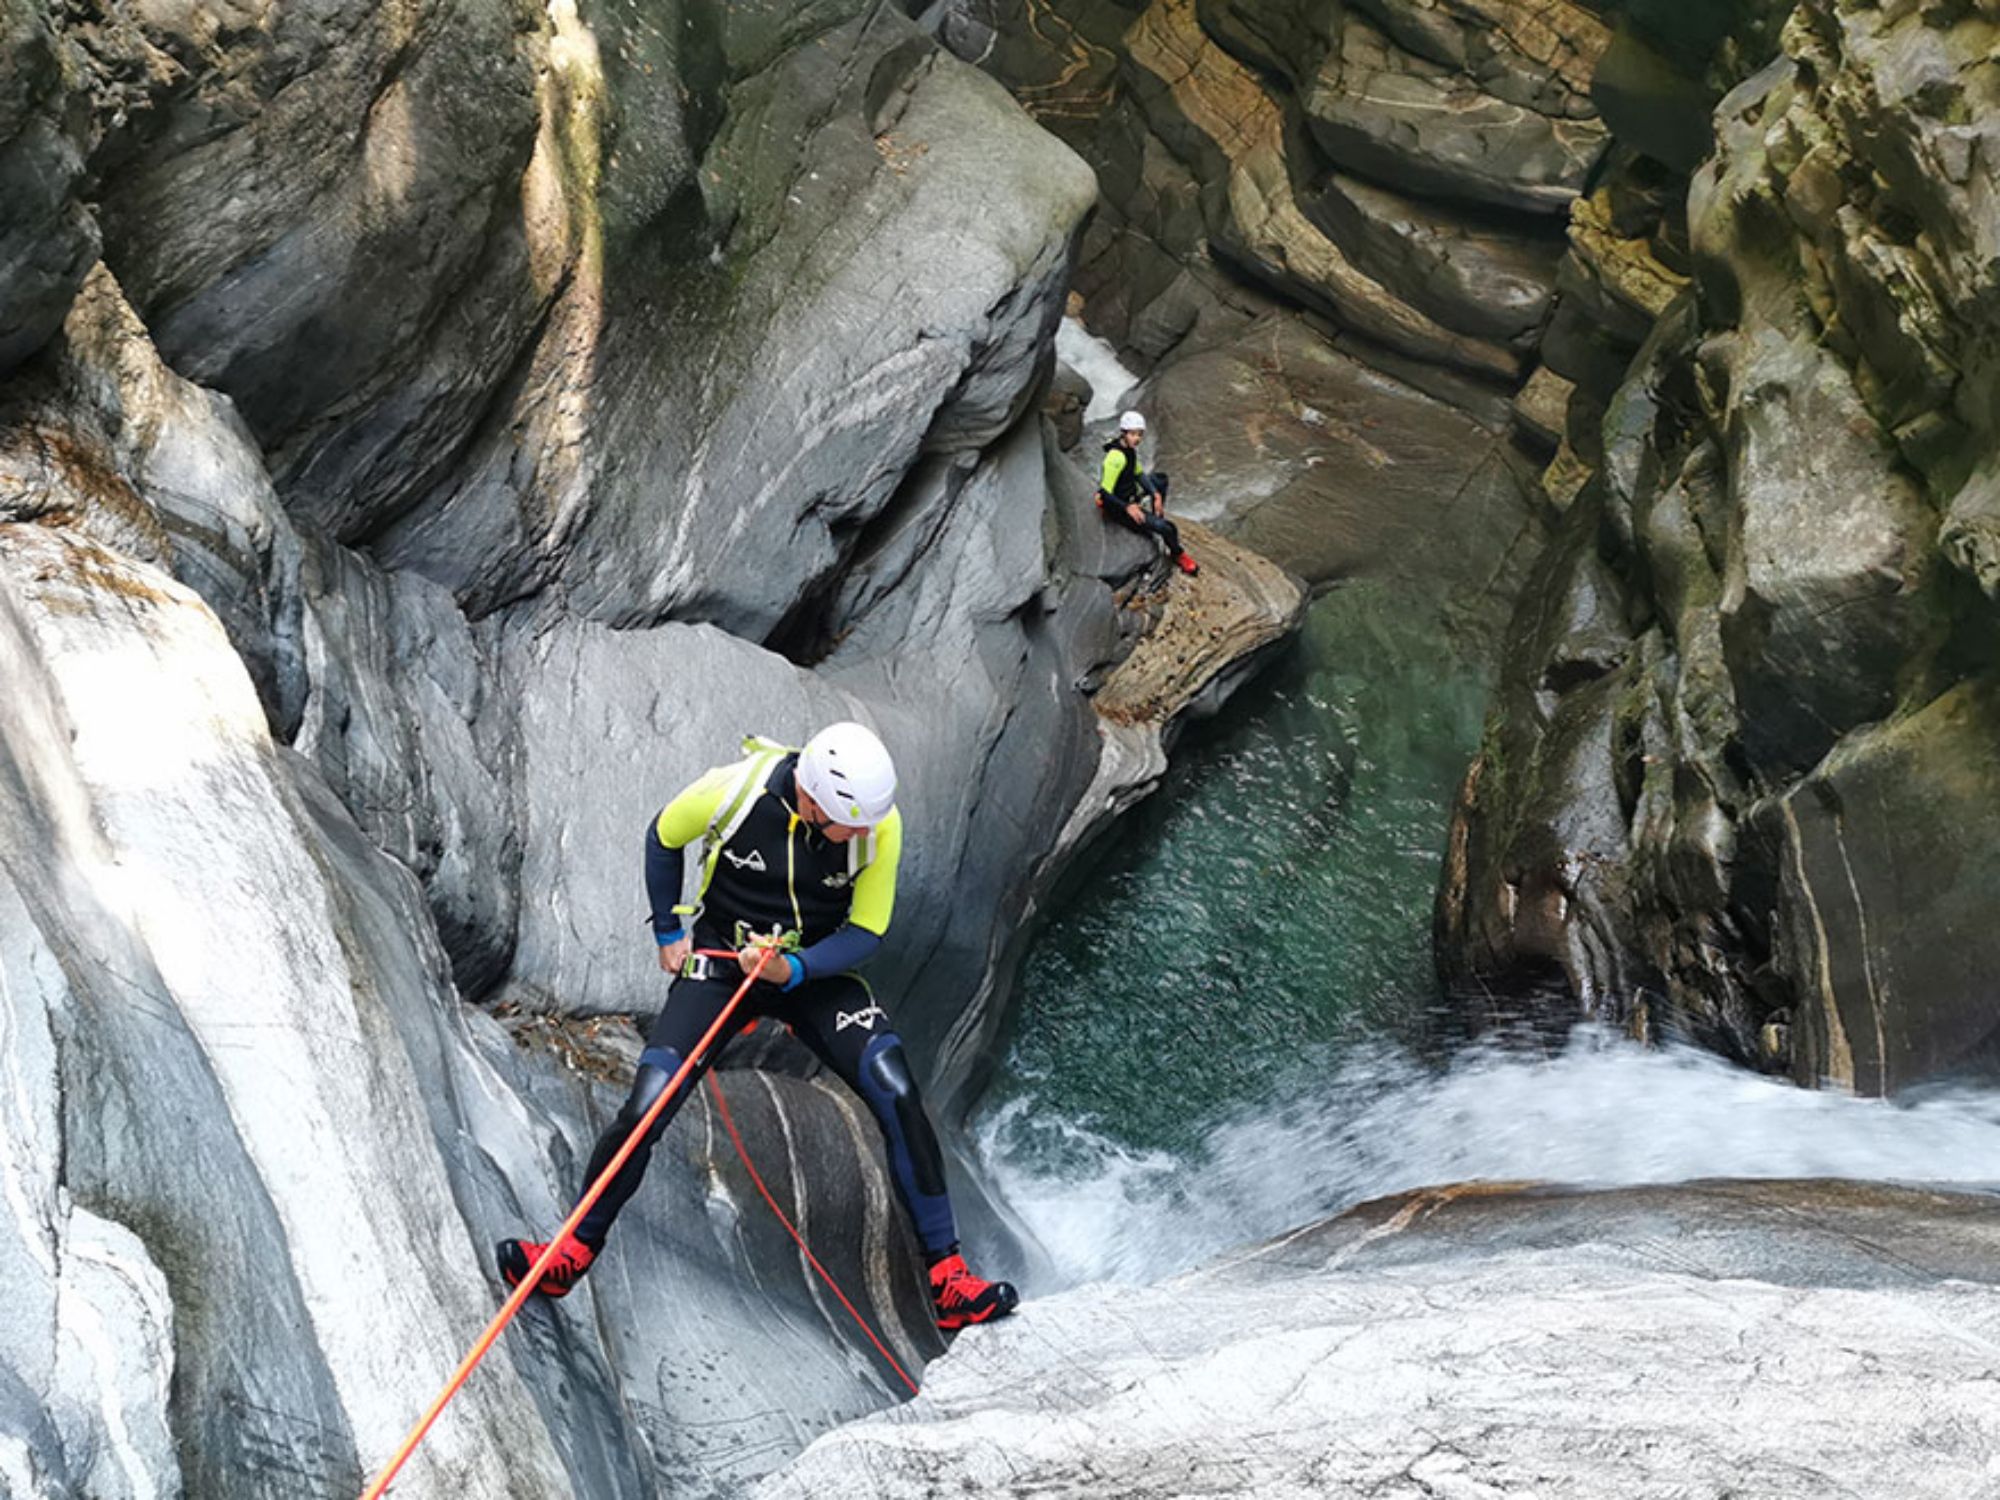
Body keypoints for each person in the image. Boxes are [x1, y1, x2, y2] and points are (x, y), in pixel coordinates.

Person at [497, 722, 1018, 1332]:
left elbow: (866, 930)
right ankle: (569, 1254)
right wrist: (668, 930)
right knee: (649, 1100)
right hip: (724, 965)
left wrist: (791, 969)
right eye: (855, 823)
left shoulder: (880, 825)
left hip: (813, 972)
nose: (867, 833)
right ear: (816, 802)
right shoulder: (734, 791)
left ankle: (948, 1281)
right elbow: (664, 836)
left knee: (895, 1087)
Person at [1099, 409, 1198, 575]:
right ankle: (1177, 554)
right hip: (1121, 508)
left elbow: (1138, 474)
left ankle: (1155, 517)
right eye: (1133, 434)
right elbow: (1104, 493)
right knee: (1168, 528)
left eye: (1139, 435)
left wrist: (1155, 494)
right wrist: (1127, 507)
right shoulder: (1115, 457)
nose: (1137, 439)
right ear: (1123, 433)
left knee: (1160, 479)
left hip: (1129, 495)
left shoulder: (1128, 450)